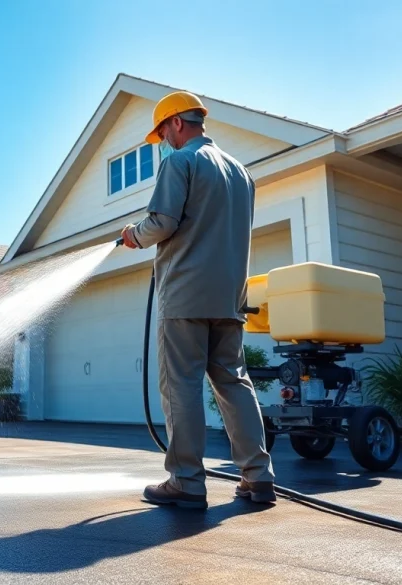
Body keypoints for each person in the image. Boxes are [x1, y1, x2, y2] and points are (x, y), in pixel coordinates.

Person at [120, 91, 276, 509]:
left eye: (163, 132)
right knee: (234, 383)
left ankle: (186, 481)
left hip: (186, 295)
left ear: (175, 123)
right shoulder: (242, 172)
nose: (164, 142)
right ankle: (258, 478)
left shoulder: (180, 161)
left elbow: (163, 222)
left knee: (181, 386)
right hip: (229, 297)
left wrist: (133, 235)